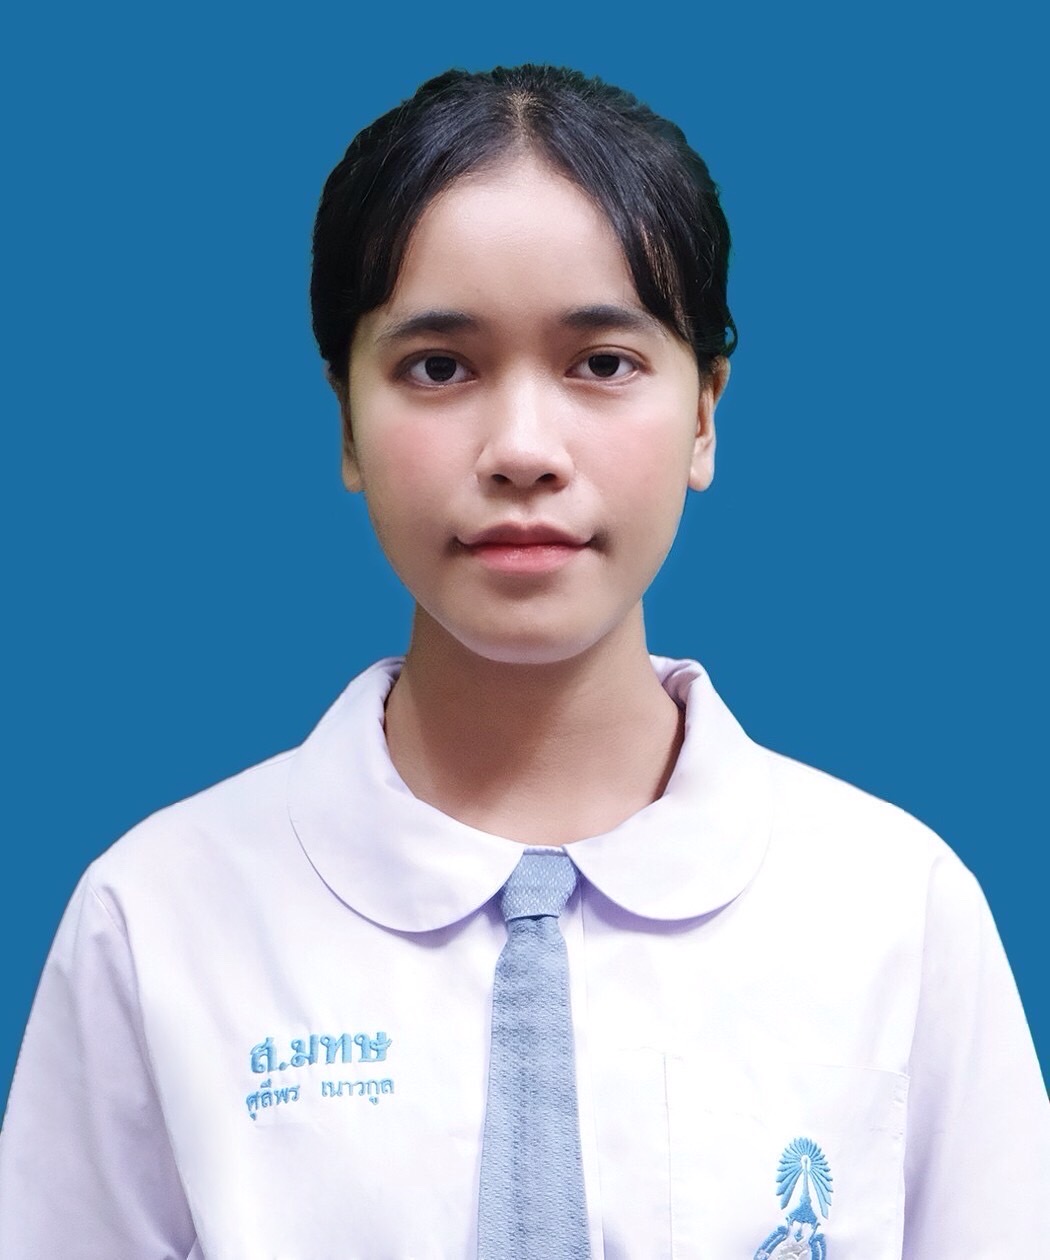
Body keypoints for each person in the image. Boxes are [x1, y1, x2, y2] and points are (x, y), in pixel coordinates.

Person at [0, 63, 1046, 1258]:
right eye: (438, 367)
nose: (522, 449)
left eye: (602, 362)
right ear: (346, 422)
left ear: (706, 414)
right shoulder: (155, 918)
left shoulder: (898, 911)